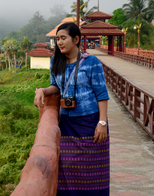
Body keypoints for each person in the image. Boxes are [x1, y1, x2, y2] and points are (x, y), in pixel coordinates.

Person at [34, 22, 109, 195]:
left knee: (93, 173)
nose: (59, 42)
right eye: (57, 39)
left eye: (63, 38)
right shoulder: (55, 60)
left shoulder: (91, 62)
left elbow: (102, 94)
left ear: (76, 39)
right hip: (67, 123)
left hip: (90, 123)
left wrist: (102, 122)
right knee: (66, 166)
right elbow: (56, 86)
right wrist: (42, 90)